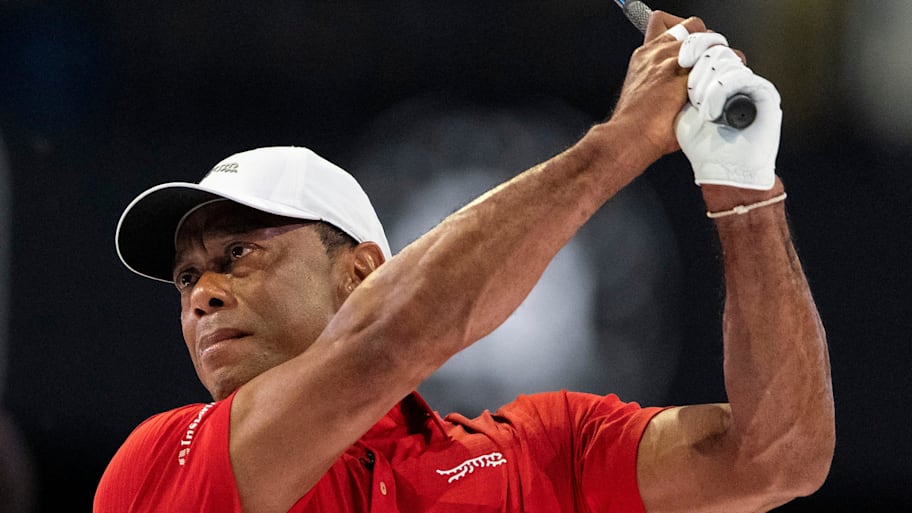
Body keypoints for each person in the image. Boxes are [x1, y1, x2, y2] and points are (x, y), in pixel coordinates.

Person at [95, 11, 834, 513]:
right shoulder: (160, 463)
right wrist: (622, 140)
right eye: (188, 276)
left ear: (359, 273)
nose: (203, 295)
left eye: (238, 254)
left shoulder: (537, 455)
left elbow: (780, 455)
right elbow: (389, 343)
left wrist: (745, 191)